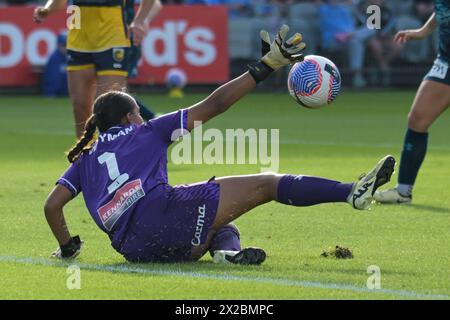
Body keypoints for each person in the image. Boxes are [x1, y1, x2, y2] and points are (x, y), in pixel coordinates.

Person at [44, 25, 395, 264]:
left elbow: (52, 206)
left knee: (222, 224)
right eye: (137, 112)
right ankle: (352, 191)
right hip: (163, 216)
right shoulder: (147, 131)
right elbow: (215, 105)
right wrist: (263, 68)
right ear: (128, 118)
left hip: (136, 249)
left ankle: (226, 254)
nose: (140, 116)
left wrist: (68, 247)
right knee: (267, 183)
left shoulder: (85, 159)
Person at [33, 0, 160, 138]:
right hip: (78, 34)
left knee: (110, 107)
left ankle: (114, 154)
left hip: (112, 34)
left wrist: (140, 20)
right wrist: (47, 9)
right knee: (80, 107)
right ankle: (84, 157)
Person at [375, 2, 449, 204]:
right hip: (445, 62)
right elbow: (443, 9)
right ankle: (403, 191)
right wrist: (423, 31)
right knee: (417, 119)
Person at [42, 32, 69, 97]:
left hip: (66, 93)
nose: (66, 48)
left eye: (67, 45)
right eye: (63, 45)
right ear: (58, 45)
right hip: (54, 93)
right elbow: (53, 79)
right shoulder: (54, 57)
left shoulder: (70, 56)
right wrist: (51, 93)